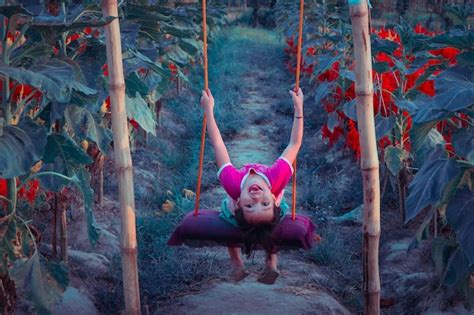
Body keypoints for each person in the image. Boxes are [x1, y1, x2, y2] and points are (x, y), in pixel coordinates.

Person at [199, 87, 304, 285]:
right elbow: (294, 145)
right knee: (266, 224)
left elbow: (218, 143)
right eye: (264, 203)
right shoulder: (277, 178)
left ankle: (237, 263)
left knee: (230, 221)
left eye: (250, 205)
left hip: (240, 206)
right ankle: (271, 262)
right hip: (270, 200)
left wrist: (209, 111)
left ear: (239, 202)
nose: (256, 199)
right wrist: (299, 109)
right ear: (273, 198)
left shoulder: (232, 184)